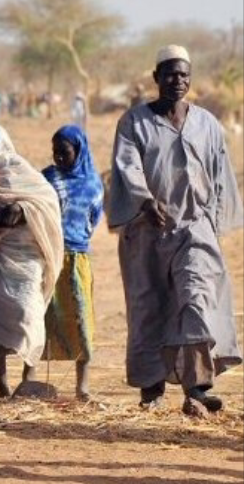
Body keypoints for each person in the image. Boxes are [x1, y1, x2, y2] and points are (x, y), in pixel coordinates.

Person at [108, 45, 243, 416]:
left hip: (195, 231)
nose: (177, 81)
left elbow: (219, 178)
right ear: (156, 78)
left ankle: (197, 387)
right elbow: (127, 166)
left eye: (184, 74)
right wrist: (145, 201)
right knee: (150, 308)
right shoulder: (134, 122)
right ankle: (152, 390)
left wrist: (211, 224)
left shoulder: (208, 124)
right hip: (147, 233)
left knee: (196, 301)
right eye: (170, 74)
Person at [0, 125, 63, 397]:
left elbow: (47, 201)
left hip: (28, 256)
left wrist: (21, 209)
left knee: (28, 313)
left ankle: (30, 376)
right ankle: (2, 382)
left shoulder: (18, 170)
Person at [42, 124, 103, 401]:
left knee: (81, 319)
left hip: (77, 259)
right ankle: (29, 380)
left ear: (78, 150)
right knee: (40, 316)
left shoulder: (93, 184)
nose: (58, 157)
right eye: (55, 152)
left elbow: (94, 219)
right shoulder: (46, 179)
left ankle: (83, 387)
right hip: (48, 256)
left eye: (64, 152)